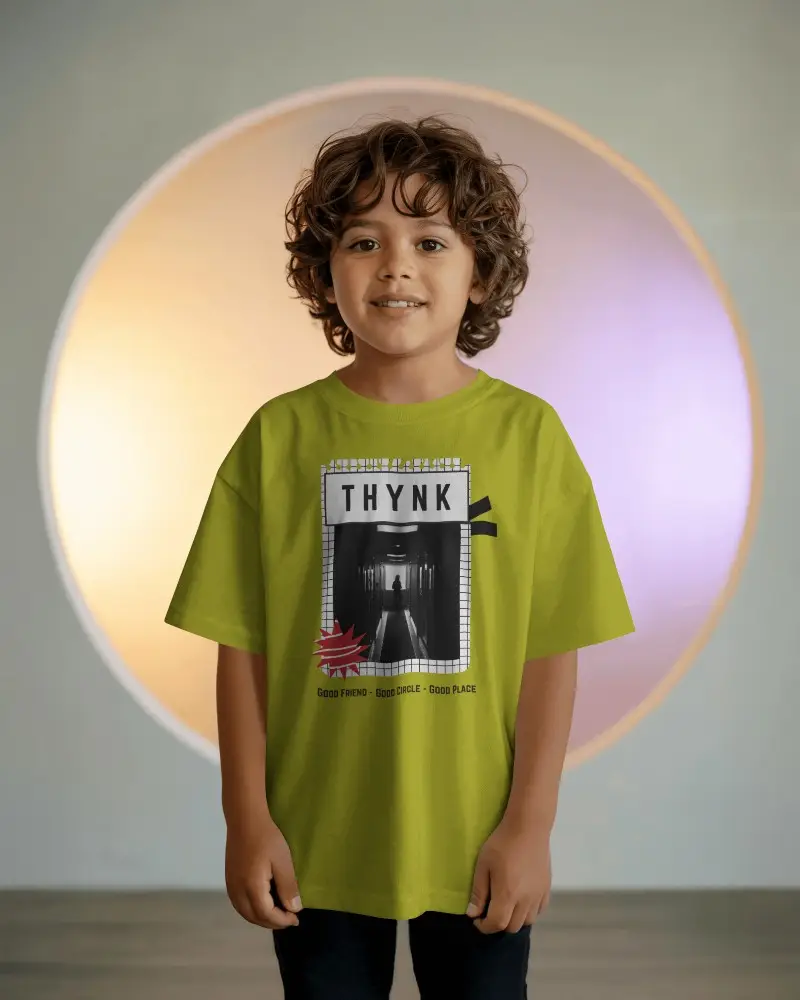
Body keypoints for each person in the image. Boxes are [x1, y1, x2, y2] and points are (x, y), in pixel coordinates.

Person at [165, 115, 634, 999]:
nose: (396, 266)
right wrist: (247, 821)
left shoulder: (529, 438)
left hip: (476, 846)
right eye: (363, 240)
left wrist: (529, 828)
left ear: (481, 272)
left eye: (430, 239)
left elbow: (550, 651)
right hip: (318, 843)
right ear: (322, 271)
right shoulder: (278, 439)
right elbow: (242, 652)